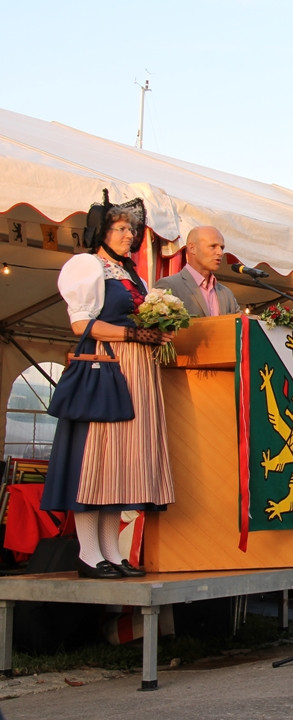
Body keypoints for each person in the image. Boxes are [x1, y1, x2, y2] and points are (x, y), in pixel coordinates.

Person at [41, 199, 174, 578]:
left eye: (132, 230)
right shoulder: (88, 266)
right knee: (95, 461)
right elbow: (82, 324)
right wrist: (134, 332)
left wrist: (155, 334)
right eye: (120, 229)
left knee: (119, 466)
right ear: (102, 232)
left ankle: (112, 553)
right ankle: (88, 553)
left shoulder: (133, 276)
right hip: (107, 366)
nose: (129, 235)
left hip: (136, 371)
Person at [154, 226, 240, 317]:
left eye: (222, 248)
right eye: (213, 246)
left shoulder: (227, 294)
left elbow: (242, 326)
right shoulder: (169, 286)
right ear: (192, 248)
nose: (220, 252)